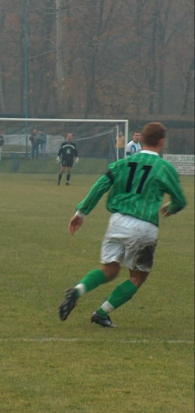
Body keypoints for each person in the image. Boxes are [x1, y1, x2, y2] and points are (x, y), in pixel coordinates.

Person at [59, 122, 186, 328]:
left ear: (142, 139)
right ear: (162, 141)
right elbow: (180, 200)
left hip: (117, 222)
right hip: (144, 226)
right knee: (138, 276)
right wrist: (171, 207)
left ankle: (78, 290)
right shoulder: (164, 168)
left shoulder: (123, 163)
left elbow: (100, 185)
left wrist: (80, 213)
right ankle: (101, 313)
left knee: (109, 270)